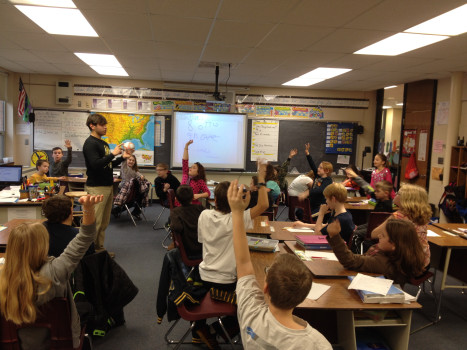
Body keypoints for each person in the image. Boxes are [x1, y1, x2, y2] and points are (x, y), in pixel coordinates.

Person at [227, 180, 332, 349]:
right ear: (304, 298)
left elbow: (243, 262)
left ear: (266, 287)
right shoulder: (318, 344)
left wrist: (237, 212)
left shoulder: (251, 313)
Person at [0, 194, 103, 350]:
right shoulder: (56, 271)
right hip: (59, 343)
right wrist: (88, 209)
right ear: (42, 245)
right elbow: (85, 237)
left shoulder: (3, 278)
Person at [195, 164, 269, 348]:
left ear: (215, 200)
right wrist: (261, 178)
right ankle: (214, 331)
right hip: (227, 281)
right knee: (256, 305)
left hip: (203, 276)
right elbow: (264, 205)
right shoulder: (237, 218)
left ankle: (199, 328)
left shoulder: (203, 215)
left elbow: (201, 240)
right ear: (234, 200)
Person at [326, 218, 426, 286]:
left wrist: (334, 236)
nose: (379, 236)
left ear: (394, 245)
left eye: (383, 235)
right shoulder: (393, 255)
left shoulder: (384, 263)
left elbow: (350, 260)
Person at [83, 113, 130, 254]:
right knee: (95, 223)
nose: (105, 127)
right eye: (102, 125)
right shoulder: (90, 143)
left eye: (105, 125)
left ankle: (99, 249)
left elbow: (107, 164)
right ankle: (89, 253)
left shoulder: (103, 143)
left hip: (107, 185)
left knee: (103, 222)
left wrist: (122, 158)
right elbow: (95, 165)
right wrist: (112, 154)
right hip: (96, 187)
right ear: (92, 126)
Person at [368, 183, 432, 269]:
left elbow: (373, 234)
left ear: (406, 199)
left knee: (372, 248)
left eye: (398, 193)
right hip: (423, 262)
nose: (395, 195)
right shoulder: (423, 215)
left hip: (406, 264)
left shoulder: (399, 216)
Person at [169, 185, 205, 259]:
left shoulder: (175, 212)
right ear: (193, 197)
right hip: (204, 248)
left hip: (187, 250)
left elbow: (176, 227)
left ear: (176, 199)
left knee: (169, 256)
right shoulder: (200, 208)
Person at [298, 143, 333, 215]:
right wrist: (307, 154)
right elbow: (312, 165)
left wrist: (308, 192)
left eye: (320, 168)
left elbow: (320, 190)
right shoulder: (318, 175)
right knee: (299, 212)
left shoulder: (328, 180)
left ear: (326, 171)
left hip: (320, 206)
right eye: (319, 167)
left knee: (309, 216)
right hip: (312, 204)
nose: (318, 169)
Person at [114, 154, 150, 219]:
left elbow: (141, 175)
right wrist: (127, 153)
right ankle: (115, 211)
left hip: (131, 190)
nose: (131, 161)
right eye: (129, 160)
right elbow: (123, 161)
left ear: (135, 162)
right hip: (123, 189)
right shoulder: (124, 167)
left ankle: (135, 212)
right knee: (132, 201)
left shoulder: (134, 170)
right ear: (126, 160)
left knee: (140, 196)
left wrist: (142, 176)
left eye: (133, 160)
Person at [180, 140, 210, 205]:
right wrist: (186, 146)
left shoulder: (200, 181)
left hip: (192, 204)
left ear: (198, 173)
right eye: (191, 167)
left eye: (194, 168)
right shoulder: (186, 174)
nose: (190, 168)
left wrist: (198, 195)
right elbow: (185, 160)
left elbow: (207, 193)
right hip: (181, 203)